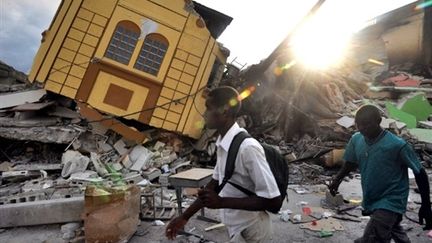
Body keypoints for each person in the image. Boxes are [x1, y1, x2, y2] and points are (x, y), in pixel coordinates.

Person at [166, 86, 281, 242]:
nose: (204, 113)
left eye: (208, 108)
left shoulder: (247, 148)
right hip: (237, 229)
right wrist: (184, 217)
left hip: (254, 230)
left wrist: (221, 202)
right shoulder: (223, 144)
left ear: (224, 112)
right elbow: (212, 187)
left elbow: (273, 202)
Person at [329, 105, 432, 243]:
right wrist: (337, 180)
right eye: (359, 125)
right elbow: (350, 163)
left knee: (372, 237)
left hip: (392, 199)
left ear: (379, 121)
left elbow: (419, 173)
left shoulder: (397, 145)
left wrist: (426, 206)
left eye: (367, 124)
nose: (363, 128)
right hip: (373, 197)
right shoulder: (356, 139)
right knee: (392, 227)